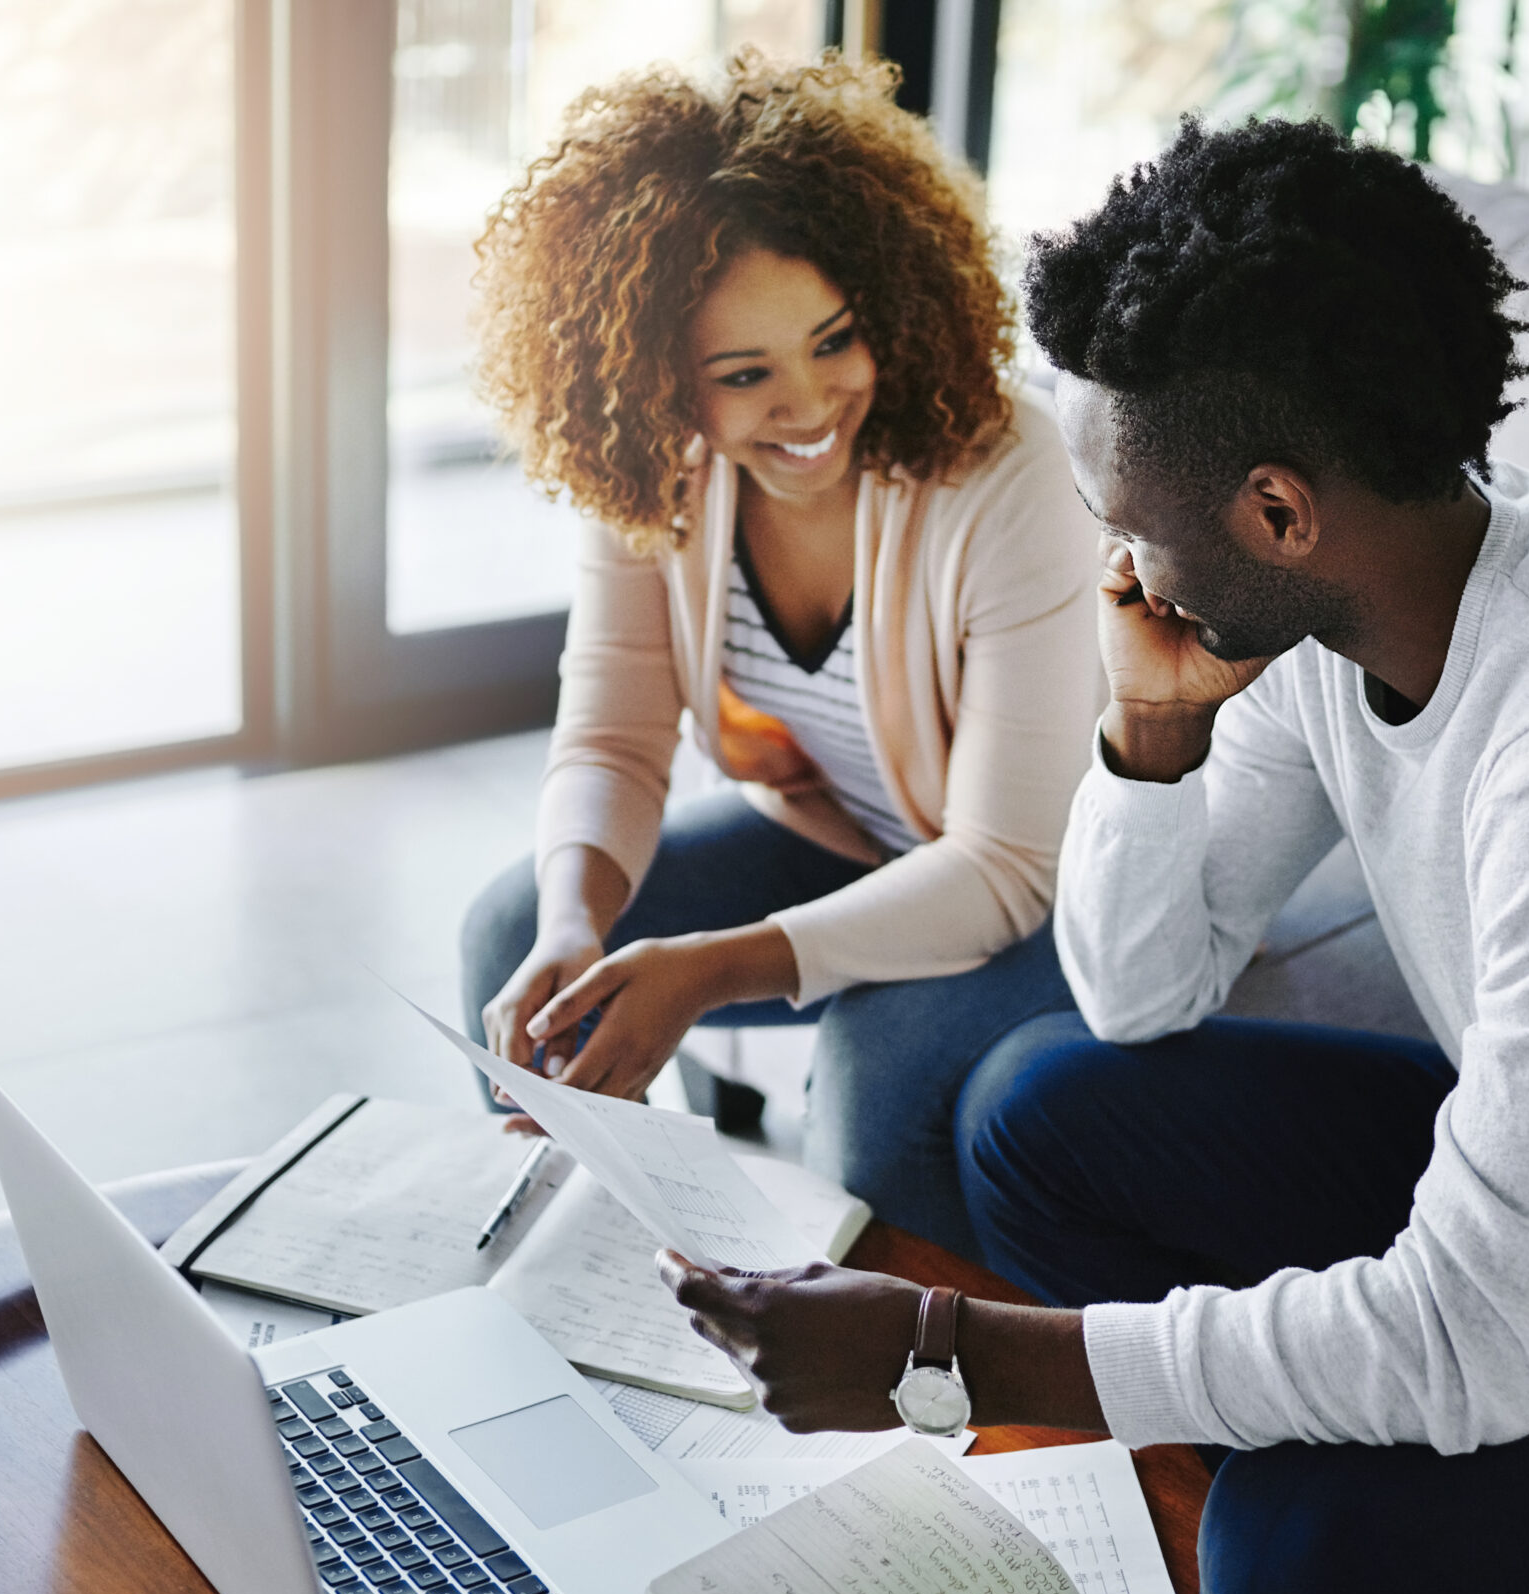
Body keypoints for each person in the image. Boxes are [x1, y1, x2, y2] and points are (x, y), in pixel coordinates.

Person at [656, 117, 1529, 1594]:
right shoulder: (1347, 598)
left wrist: (943, 1352)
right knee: (1041, 1108)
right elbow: (1136, 991)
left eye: (1126, 524)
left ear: (1279, 513)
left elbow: (1472, 1342)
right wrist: (1146, 744)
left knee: (1308, 1542)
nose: (1111, 564)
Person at [457, 52, 1102, 1255]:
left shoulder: (1010, 469)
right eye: (743, 374)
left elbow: (1009, 863)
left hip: (1064, 894)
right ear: (656, 384)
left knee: (874, 1075)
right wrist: (570, 924)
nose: (807, 406)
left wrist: (707, 970)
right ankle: (588, 1296)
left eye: (835, 340)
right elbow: (612, 735)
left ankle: (902, 1405)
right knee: (514, 937)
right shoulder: (658, 470)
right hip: (863, 838)